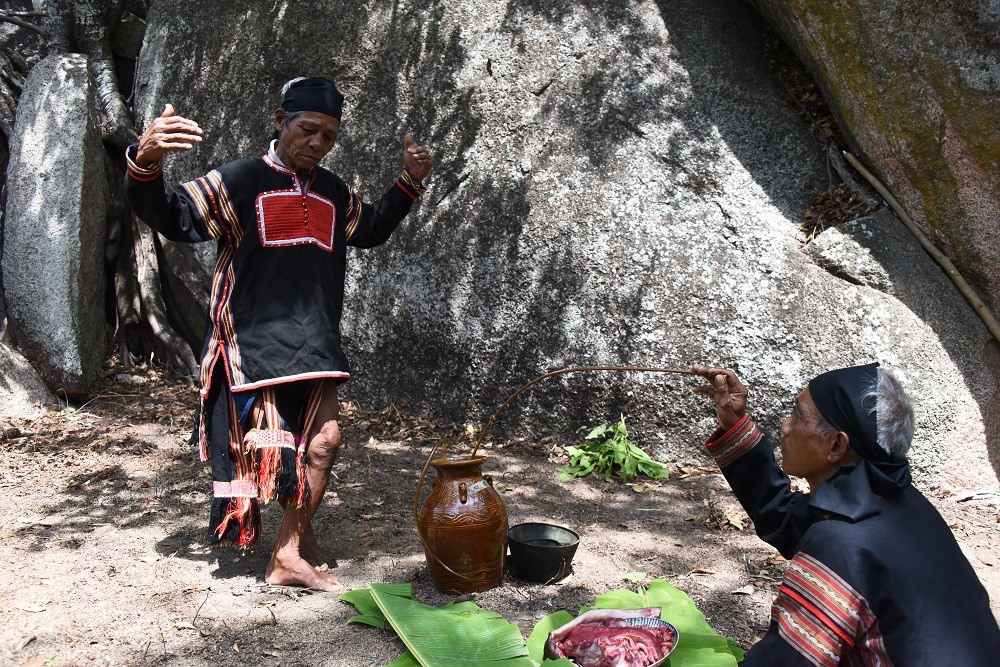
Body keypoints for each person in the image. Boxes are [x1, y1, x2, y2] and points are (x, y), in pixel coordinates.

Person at [125, 77, 433, 590]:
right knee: (272, 448)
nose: (317, 143)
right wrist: (146, 160)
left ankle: (290, 549)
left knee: (325, 442)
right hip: (253, 343)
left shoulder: (333, 192)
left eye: (329, 136)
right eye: (308, 129)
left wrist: (409, 182)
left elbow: (372, 229)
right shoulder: (238, 180)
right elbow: (173, 216)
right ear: (280, 121)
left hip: (316, 343)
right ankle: (291, 546)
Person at [692, 363, 1000, 665]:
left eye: (798, 415)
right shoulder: (899, 503)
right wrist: (734, 422)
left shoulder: (841, 541)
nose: (785, 426)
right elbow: (787, 519)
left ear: (836, 445)